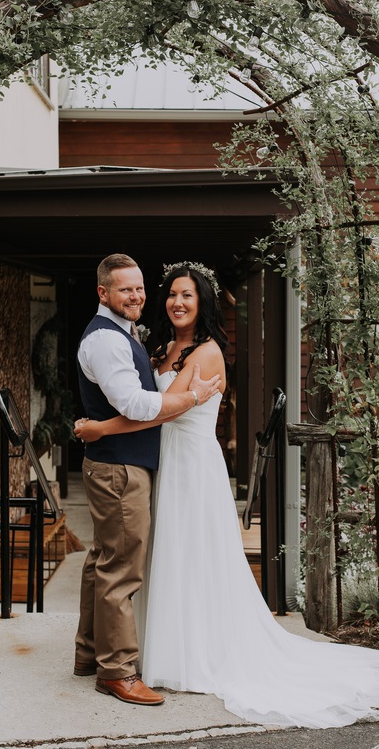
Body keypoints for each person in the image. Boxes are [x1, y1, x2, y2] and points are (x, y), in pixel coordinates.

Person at [75, 261, 379, 728]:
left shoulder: (208, 352)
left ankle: (188, 653)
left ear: (204, 303)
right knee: (149, 557)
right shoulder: (157, 344)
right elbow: (146, 403)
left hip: (191, 467)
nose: (176, 302)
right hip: (162, 464)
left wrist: (96, 428)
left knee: (189, 559)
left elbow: (154, 413)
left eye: (187, 296)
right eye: (172, 294)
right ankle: (122, 653)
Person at [74, 254, 221, 708]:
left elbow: (148, 404)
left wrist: (99, 429)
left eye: (140, 288)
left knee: (106, 558)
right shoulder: (110, 340)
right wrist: (194, 394)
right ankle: (116, 671)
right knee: (119, 565)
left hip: (160, 462)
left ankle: (90, 654)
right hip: (121, 466)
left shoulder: (138, 336)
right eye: (126, 289)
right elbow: (139, 406)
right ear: (104, 293)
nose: (138, 296)